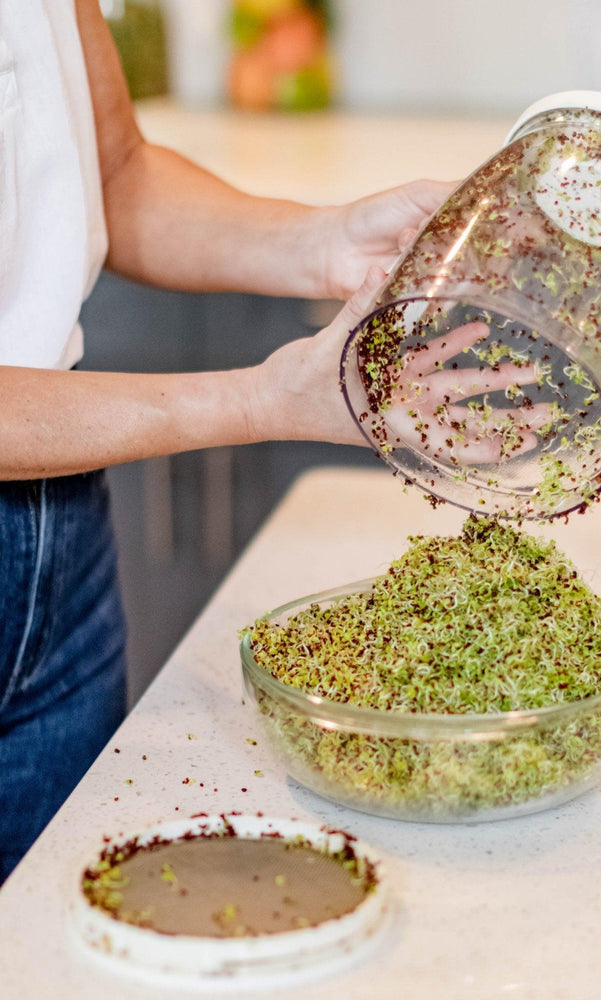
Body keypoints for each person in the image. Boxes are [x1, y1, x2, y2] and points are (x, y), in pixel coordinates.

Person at [0, 0, 453, 882]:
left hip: (63, 530)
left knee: (50, 940)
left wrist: (326, 244)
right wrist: (261, 401)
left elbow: (115, 171)